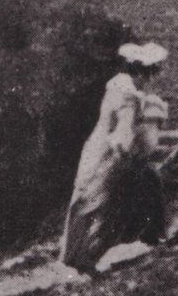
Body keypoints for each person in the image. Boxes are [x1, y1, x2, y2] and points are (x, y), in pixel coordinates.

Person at [60, 42, 170, 272]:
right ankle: (83, 261)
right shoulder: (127, 96)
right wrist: (126, 155)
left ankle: (74, 258)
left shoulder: (119, 88)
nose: (153, 78)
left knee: (87, 204)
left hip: (97, 152)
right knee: (105, 209)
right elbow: (124, 133)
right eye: (152, 73)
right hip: (110, 157)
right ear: (141, 72)